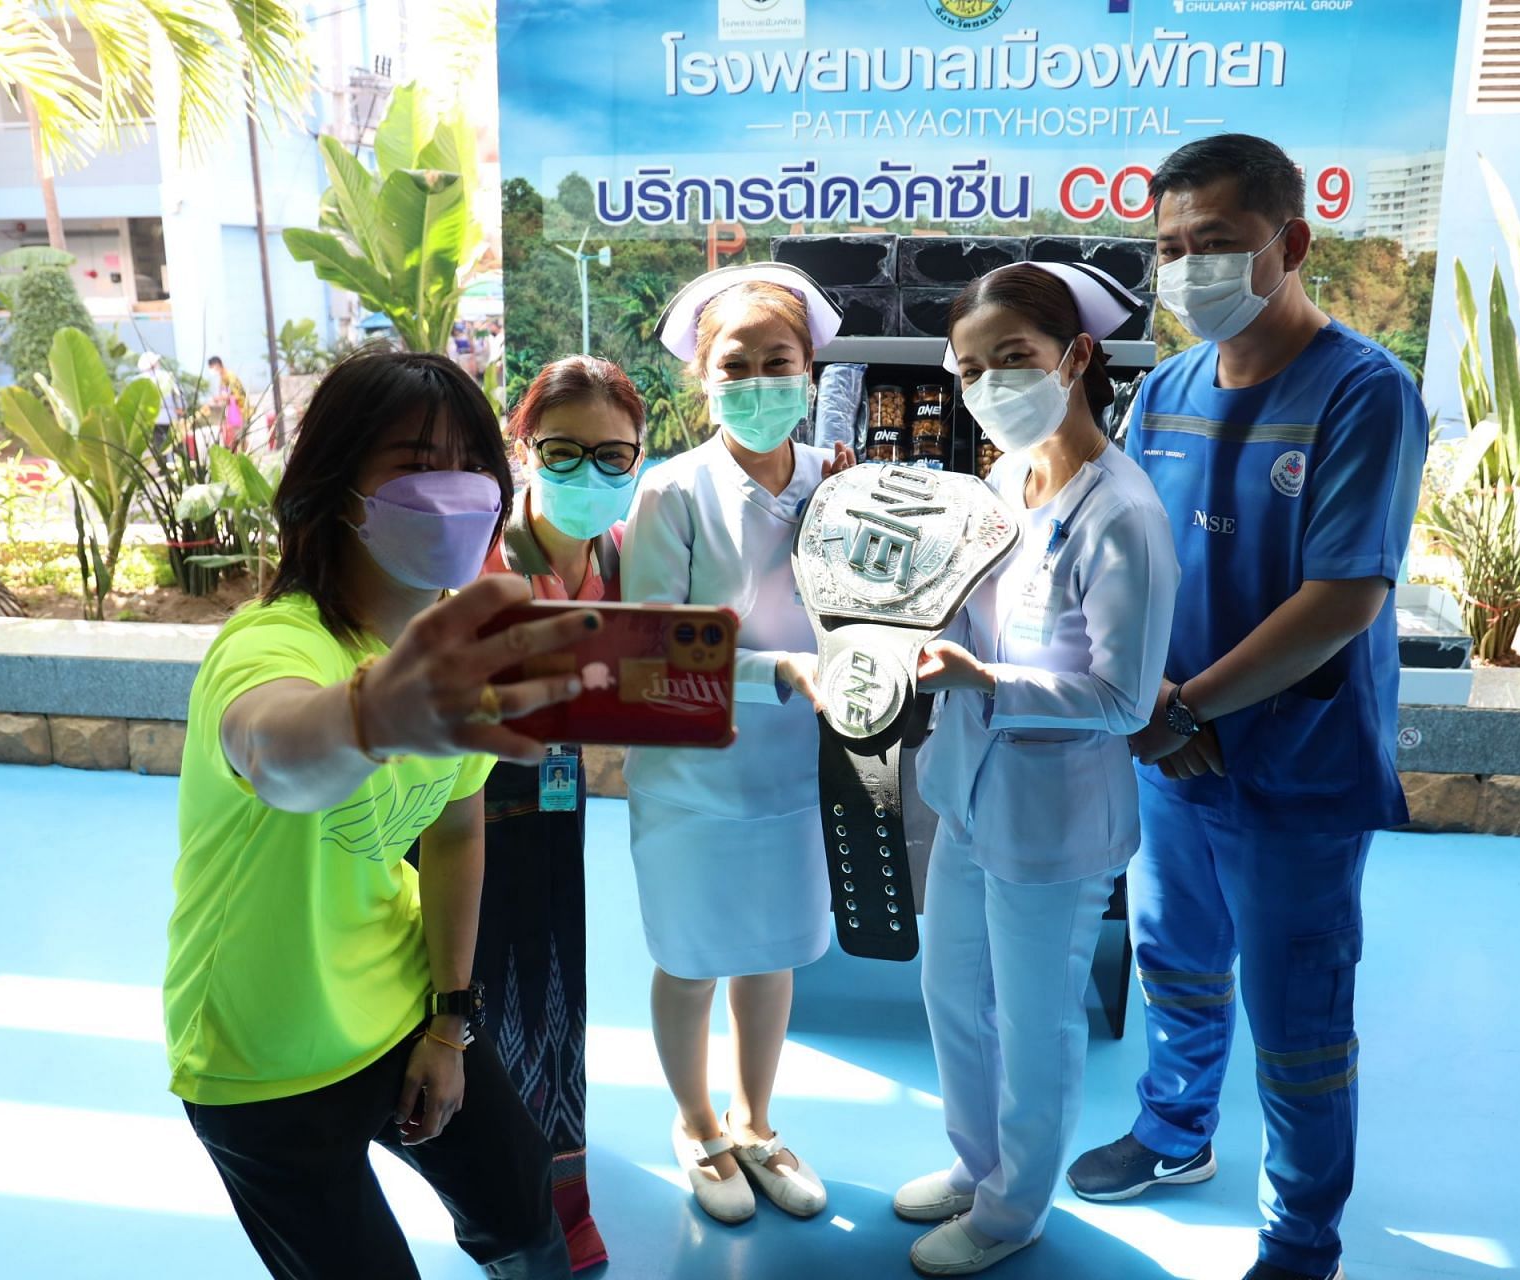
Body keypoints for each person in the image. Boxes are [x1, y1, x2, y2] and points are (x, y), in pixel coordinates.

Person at [1065, 134, 1428, 1280]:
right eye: (1170, 248)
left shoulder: (1363, 393)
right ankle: (1175, 1132)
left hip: (1295, 770)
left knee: (1298, 1014)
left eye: (1216, 245)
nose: (1187, 270)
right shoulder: (1165, 391)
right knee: (1175, 957)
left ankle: (1301, 1232)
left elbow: (1343, 598)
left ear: (1292, 242)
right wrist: (1142, 708)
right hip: (1172, 760)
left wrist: (1185, 708)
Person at [165, 345, 598, 1280]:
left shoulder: (451, 663)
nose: (449, 487)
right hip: (262, 1057)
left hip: (404, 1007)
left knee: (521, 1199)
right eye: (410, 464)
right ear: (336, 487)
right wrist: (366, 719)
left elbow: (449, 828)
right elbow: (276, 751)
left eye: (468, 463)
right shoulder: (274, 644)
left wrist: (450, 1021)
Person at [889, 263, 1179, 1277]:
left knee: (1036, 1016)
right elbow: (968, 609)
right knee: (949, 987)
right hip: (971, 786)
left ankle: (1013, 1209)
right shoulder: (1004, 484)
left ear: (1077, 356)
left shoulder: (1123, 513)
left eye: (1013, 358)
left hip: (1056, 819)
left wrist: (987, 677)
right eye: (970, 369)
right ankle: (977, 1164)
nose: (989, 385)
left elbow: (1126, 700)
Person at [622, 262, 855, 1225]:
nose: (759, 381)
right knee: (692, 956)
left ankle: (758, 1122)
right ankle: (696, 1124)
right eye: (737, 364)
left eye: (778, 361)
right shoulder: (671, 493)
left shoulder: (842, 485)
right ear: (703, 380)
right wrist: (780, 673)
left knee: (774, 955)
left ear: (810, 372)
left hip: (799, 772)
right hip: (693, 775)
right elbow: (646, 648)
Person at [474, 355, 648, 1272]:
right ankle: (505, 1199)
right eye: (564, 451)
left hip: (559, 803)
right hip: (471, 814)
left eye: (613, 454)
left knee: (560, 990)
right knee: (485, 999)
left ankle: (564, 1182)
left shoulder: (617, 553)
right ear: (524, 444)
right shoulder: (489, 560)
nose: (591, 473)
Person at [207, 355, 248, 450]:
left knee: (241, 436)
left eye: (212, 368)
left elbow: (236, 395)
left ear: (217, 365)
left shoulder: (230, 376)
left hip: (240, 410)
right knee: (236, 436)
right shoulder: (222, 378)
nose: (212, 371)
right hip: (232, 411)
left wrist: (220, 398)